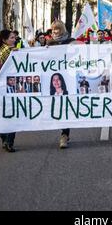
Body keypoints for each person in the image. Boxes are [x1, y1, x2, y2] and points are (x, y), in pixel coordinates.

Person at [46, 20, 75, 149]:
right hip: (54, 79)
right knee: (56, 107)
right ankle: (63, 132)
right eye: (53, 30)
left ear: (62, 30)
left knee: (65, 108)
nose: (54, 32)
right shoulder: (49, 43)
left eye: (57, 29)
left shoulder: (70, 41)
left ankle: (64, 134)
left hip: (67, 79)